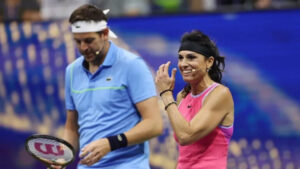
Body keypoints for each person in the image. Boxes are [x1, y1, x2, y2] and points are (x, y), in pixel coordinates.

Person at [50, 4, 163, 169]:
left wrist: (111, 143)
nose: (83, 48)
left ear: (104, 34)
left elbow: (154, 124)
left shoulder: (132, 65)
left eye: (89, 41)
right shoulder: (72, 71)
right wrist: (61, 158)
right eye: (78, 41)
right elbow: (72, 128)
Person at [155, 30, 234, 169]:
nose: (183, 64)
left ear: (209, 62)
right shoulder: (182, 96)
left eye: (191, 57)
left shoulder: (220, 94)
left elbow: (185, 136)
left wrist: (166, 95)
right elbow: (184, 153)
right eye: (180, 58)